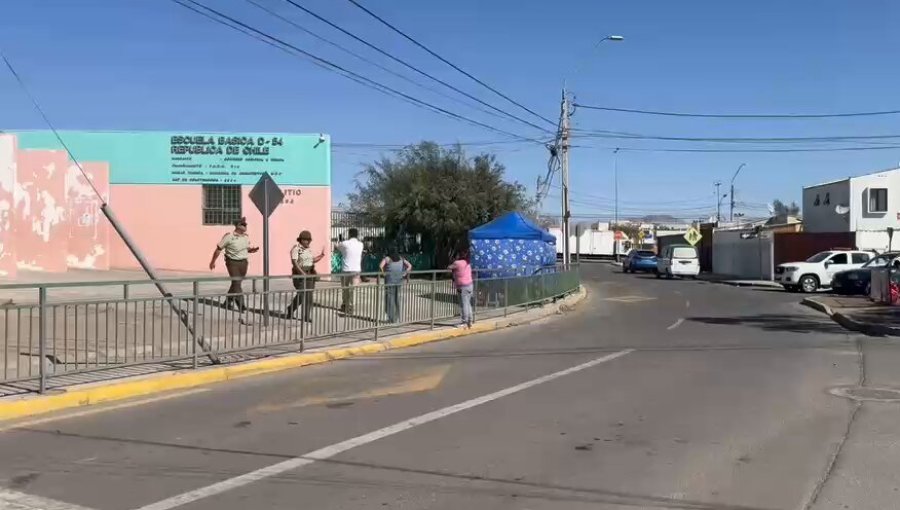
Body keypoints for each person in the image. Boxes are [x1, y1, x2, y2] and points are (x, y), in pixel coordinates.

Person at [209, 217, 258, 316]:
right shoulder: (229, 236)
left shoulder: (246, 237)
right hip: (232, 262)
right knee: (237, 282)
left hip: (243, 262)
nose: (245, 226)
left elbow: (245, 249)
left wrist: (251, 250)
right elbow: (218, 249)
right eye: (243, 224)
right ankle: (241, 305)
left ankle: (227, 302)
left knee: (236, 283)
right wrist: (213, 261)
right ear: (237, 226)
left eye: (246, 225)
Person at [286, 230, 325, 322]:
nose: (308, 242)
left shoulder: (308, 249)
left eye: (309, 240)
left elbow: (311, 261)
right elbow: (295, 262)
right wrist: (302, 274)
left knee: (309, 296)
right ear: (301, 240)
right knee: (302, 294)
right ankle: (291, 309)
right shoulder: (296, 249)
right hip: (300, 274)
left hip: (310, 273)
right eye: (306, 240)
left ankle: (306, 316)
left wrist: (321, 256)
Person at [380, 247, 412, 323]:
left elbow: (380, 266)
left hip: (389, 281)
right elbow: (410, 266)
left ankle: (391, 318)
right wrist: (404, 273)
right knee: (397, 299)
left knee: (389, 299)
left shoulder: (387, 259)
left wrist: (384, 273)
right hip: (399, 281)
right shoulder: (401, 259)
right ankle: (397, 317)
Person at [337, 228, 364, 314]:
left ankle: (345, 304)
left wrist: (340, 240)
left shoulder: (344, 243)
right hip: (356, 270)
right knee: (354, 289)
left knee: (345, 288)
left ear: (349, 234)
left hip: (346, 269)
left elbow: (337, 247)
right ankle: (351, 306)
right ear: (357, 235)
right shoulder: (361, 244)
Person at [449, 249, 474, 328]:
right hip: (470, 285)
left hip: (462, 286)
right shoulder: (468, 262)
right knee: (468, 303)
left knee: (463, 304)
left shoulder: (457, 263)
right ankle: (470, 320)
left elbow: (448, 267)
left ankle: (464, 322)